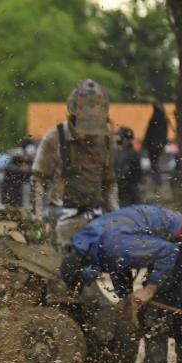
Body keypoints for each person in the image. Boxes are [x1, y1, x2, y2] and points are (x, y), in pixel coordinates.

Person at [60, 205, 182, 363]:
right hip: (161, 238)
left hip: (179, 241)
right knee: (156, 309)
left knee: (163, 310)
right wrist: (125, 299)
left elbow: (168, 252)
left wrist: (149, 290)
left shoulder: (114, 244)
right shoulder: (90, 243)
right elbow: (119, 265)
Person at [31, 79, 118, 247]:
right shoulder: (55, 137)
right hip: (61, 212)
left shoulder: (106, 140)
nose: (91, 112)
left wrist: (116, 216)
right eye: (86, 106)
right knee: (64, 262)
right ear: (75, 109)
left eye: (95, 107)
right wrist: (37, 219)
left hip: (95, 214)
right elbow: (38, 180)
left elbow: (109, 183)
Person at [0, 139, 35, 208]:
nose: (29, 157)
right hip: (10, 186)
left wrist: (29, 169)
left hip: (22, 190)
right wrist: (20, 169)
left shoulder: (33, 162)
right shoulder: (16, 158)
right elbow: (7, 167)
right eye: (27, 154)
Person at [113, 127, 142, 207]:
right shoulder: (115, 153)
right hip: (120, 191)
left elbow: (132, 174)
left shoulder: (131, 154)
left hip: (128, 191)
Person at [142, 101, 168, 188]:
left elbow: (149, 132)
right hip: (158, 145)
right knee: (155, 163)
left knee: (154, 163)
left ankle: (157, 181)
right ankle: (157, 180)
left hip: (153, 145)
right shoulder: (163, 119)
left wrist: (146, 143)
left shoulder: (155, 119)